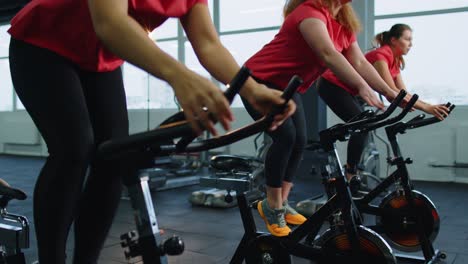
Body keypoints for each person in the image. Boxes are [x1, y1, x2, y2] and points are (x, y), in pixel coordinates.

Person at [7, 0, 296, 263]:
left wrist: (253, 90)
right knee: (75, 148)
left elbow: (209, 44)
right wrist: (178, 75)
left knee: (112, 158)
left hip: (99, 57)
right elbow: (110, 22)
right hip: (43, 41)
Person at [241, 0, 403, 237]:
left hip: (288, 87)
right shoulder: (309, 12)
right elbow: (328, 54)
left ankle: (281, 202)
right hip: (258, 80)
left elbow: (358, 63)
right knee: (285, 137)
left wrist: (389, 92)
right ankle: (271, 206)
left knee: (300, 140)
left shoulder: (343, 24)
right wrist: (360, 86)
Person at [319, 23, 450, 188]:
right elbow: (391, 91)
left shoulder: (394, 61)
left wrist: (430, 106)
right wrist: (428, 108)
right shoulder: (381, 55)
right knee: (361, 127)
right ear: (394, 40)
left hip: (350, 91)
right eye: (407, 39)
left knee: (364, 127)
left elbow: (402, 92)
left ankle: (352, 173)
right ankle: (350, 174)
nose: (411, 44)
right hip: (332, 84)